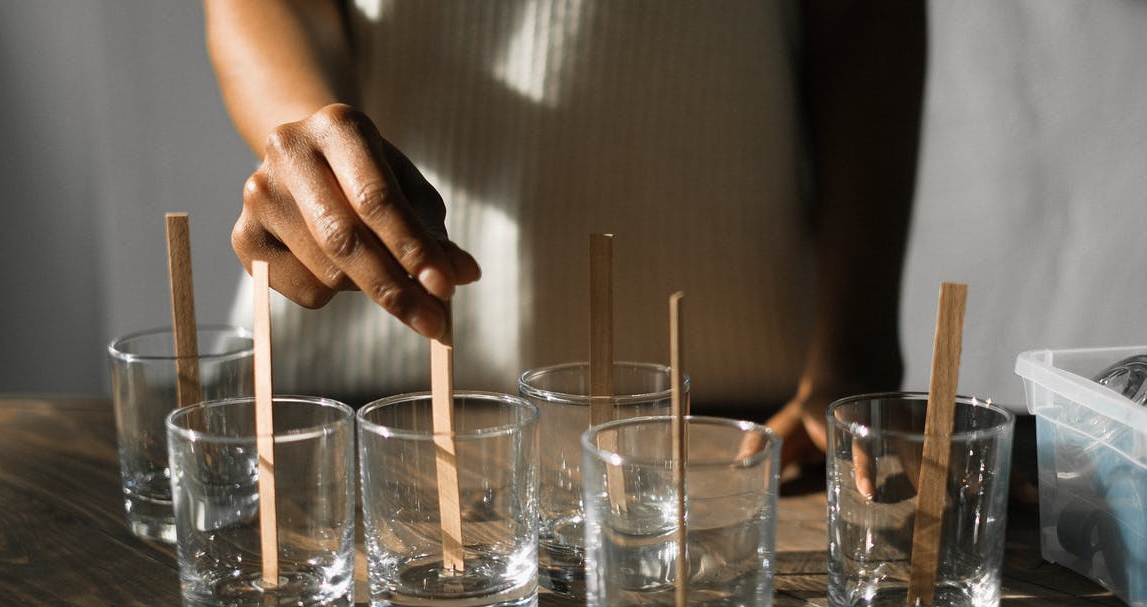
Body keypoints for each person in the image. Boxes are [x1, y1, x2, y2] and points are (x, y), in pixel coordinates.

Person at [203, 0, 925, 468]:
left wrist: (854, 353)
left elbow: (865, 21)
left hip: (736, 413)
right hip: (345, 400)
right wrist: (303, 134)